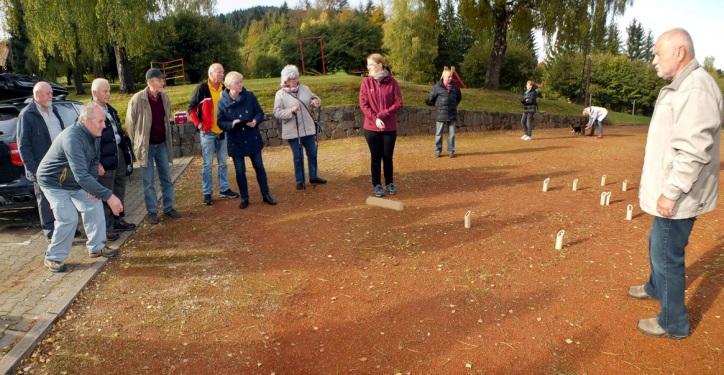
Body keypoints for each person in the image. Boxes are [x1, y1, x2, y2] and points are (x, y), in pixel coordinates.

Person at [629, 28, 722, 339]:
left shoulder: (696, 89)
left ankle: (674, 322)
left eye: (658, 53)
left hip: (680, 194)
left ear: (679, 53)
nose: (653, 59)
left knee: (667, 253)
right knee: (658, 243)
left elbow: (694, 150)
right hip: (674, 190)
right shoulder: (684, 86)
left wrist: (670, 193)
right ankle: (656, 287)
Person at [37, 102, 124, 272]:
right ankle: (53, 257)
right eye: (100, 121)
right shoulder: (72, 138)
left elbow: (93, 162)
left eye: (104, 121)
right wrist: (109, 195)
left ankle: (97, 247)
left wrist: (94, 190)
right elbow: (81, 175)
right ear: (86, 120)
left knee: (94, 203)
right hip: (53, 182)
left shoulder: (94, 134)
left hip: (74, 180)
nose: (104, 125)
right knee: (68, 218)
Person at [16, 82, 75, 241]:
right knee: (44, 199)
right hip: (41, 166)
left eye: (51, 93)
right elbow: (23, 145)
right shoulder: (27, 114)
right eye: (48, 93)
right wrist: (33, 169)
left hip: (60, 163)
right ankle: (50, 230)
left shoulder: (53, 109)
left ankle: (67, 226)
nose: (51, 96)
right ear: (37, 94)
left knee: (64, 195)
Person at [126, 68, 182, 225]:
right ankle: (151, 212)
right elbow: (130, 124)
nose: (162, 82)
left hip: (162, 144)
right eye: (159, 80)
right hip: (146, 147)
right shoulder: (137, 99)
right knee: (148, 181)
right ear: (150, 82)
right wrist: (138, 143)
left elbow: (166, 119)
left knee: (166, 177)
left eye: (162, 80)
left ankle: (169, 208)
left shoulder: (164, 98)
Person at [217, 71, 277, 209]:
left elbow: (259, 112)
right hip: (236, 141)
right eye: (238, 82)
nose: (241, 85)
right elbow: (220, 122)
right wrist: (232, 124)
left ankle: (266, 194)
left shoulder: (249, 96)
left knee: (259, 167)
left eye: (241, 82)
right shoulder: (222, 102)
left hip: (252, 137)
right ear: (230, 85)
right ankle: (244, 198)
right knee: (240, 171)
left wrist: (255, 121)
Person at [188, 63, 240, 205]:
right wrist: (199, 124)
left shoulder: (225, 88)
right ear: (210, 74)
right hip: (208, 133)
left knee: (223, 162)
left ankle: (224, 189)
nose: (222, 74)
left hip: (222, 131)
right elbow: (191, 109)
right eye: (219, 72)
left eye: (223, 72)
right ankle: (207, 193)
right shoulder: (202, 88)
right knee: (207, 164)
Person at [92, 78, 135, 240]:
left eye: (109, 90)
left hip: (118, 154)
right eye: (105, 91)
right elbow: (88, 142)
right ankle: (107, 227)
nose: (109, 94)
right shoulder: (89, 112)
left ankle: (118, 219)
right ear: (95, 93)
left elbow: (119, 133)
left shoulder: (111, 109)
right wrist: (97, 162)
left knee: (119, 187)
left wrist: (127, 155)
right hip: (104, 158)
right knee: (106, 192)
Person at [273, 64, 327, 190]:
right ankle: (300, 180)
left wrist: (315, 101)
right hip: (292, 131)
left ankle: (313, 176)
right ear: (285, 80)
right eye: (292, 78)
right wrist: (290, 111)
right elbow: (276, 112)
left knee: (312, 153)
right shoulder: (280, 94)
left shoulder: (305, 88)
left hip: (308, 129)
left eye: (296, 77)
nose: (295, 80)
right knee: (298, 156)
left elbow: (314, 97)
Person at [359, 53, 403, 197]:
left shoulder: (392, 82)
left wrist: (382, 115)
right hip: (371, 128)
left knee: (387, 156)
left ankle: (389, 182)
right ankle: (377, 184)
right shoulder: (366, 82)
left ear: (379, 65)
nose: (368, 68)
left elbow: (398, 103)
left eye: (371, 64)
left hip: (389, 127)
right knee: (376, 156)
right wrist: (375, 118)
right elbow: (363, 104)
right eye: (368, 65)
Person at [426, 67, 462, 157]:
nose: (451, 78)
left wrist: (453, 105)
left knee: (452, 134)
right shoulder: (437, 87)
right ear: (444, 77)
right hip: (441, 114)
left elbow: (459, 98)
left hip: (452, 113)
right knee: (438, 134)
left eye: (451, 77)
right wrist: (437, 106)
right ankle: (438, 150)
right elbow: (430, 99)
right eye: (449, 77)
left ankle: (451, 151)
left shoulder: (455, 87)